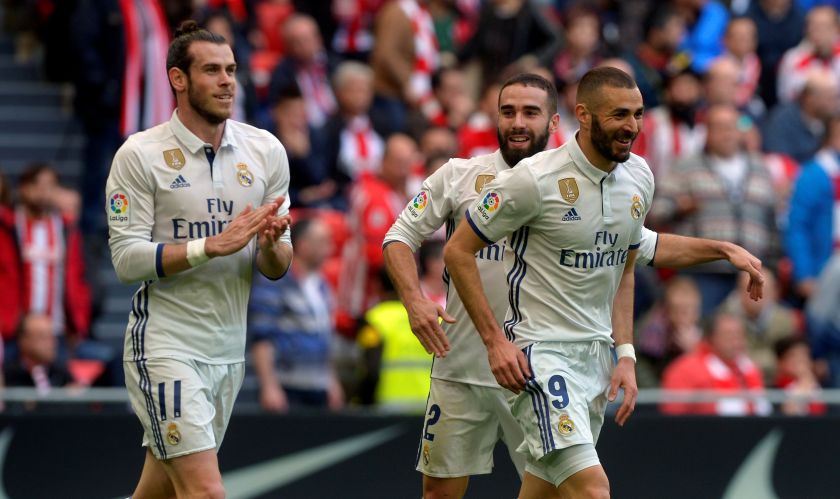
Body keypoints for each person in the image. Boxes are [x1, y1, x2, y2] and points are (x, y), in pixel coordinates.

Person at [384, 72, 763, 499]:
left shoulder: (626, 177)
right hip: (492, 361)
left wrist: (626, 351)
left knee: (548, 490)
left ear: (555, 121)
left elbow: (629, 253)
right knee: (571, 489)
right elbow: (412, 238)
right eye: (508, 112)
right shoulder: (477, 177)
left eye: (531, 112)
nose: (518, 123)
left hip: (566, 362)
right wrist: (416, 300)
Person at [105, 21, 293, 499]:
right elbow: (126, 261)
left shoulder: (266, 150)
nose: (228, 80)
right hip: (165, 345)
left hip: (228, 353)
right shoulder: (139, 154)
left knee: (159, 493)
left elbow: (276, 266)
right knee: (205, 492)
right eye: (212, 70)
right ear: (178, 79)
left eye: (231, 70)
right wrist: (209, 246)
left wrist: (271, 243)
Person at [249, 217, 343, 412]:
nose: (330, 248)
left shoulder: (322, 286)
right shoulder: (274, 281)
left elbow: (326, 336)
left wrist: (331, 381)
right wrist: (269, 386)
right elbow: (262, 337)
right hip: (287, 387)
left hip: (319, 387)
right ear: (303, 245)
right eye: (323, 241)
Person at [660, 312, 771, 416]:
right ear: (711, 338)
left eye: (740, 335)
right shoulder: (685, 370)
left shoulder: (750, 368)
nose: (736, 341)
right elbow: (673, 417)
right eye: (729, 335)